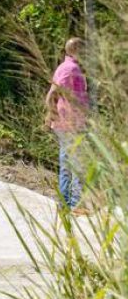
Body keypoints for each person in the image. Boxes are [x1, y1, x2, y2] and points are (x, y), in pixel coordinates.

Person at [45, 37, 89, 208]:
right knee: (75, 164)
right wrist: (51, 114)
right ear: (76, 49)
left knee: (69, 162)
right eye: (83, 49)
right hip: (70, 124)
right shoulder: (70, 68)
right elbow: (52, 93)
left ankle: (67, 203)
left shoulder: (70, 67)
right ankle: (73, 204)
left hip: (72, 123)